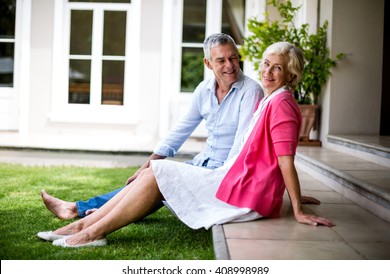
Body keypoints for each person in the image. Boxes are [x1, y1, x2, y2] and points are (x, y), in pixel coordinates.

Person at [37, 41, 334, 248]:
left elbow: (285, 159)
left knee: (158, 173)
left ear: (291, 75)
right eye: (266, 64)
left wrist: (296, 207)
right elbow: (267, 158)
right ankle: (83, 227)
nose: (267, 72)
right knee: (155, 170)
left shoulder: (280, 103)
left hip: (240, 190)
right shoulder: (271, 99)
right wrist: (286, 190)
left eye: (277, 69)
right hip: (236, 180)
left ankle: (90, 230)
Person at [41, 33, 263, 220]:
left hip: (223, 172)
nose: (230, 65)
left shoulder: (251, 91)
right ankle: (83, 209)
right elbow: (179, 131)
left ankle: (82, 210)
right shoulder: (203, 90)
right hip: (201, 163)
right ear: (208, 63)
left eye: (233, 58)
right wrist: (144, 167)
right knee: (150, 177)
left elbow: (241, 146)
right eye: (221, 60)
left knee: (161, 179)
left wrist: (219, 180)